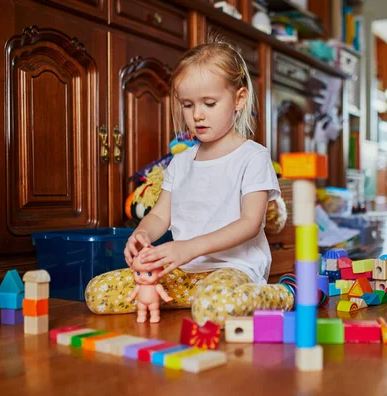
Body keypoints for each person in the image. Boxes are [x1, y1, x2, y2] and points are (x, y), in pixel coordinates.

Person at [85, 38, 295, 326]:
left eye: (209, 103)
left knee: (216, 307)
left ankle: (285, 293)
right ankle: (198, 299)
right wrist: (142, 234)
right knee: (97, 293)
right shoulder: (181, 162)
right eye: (188, 105)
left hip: (234, 268)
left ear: (239, 99)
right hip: (184, 270)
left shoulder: (253, 157)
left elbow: (250, 224)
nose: (197, 115)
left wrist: (189, 247)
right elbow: (160, 214)